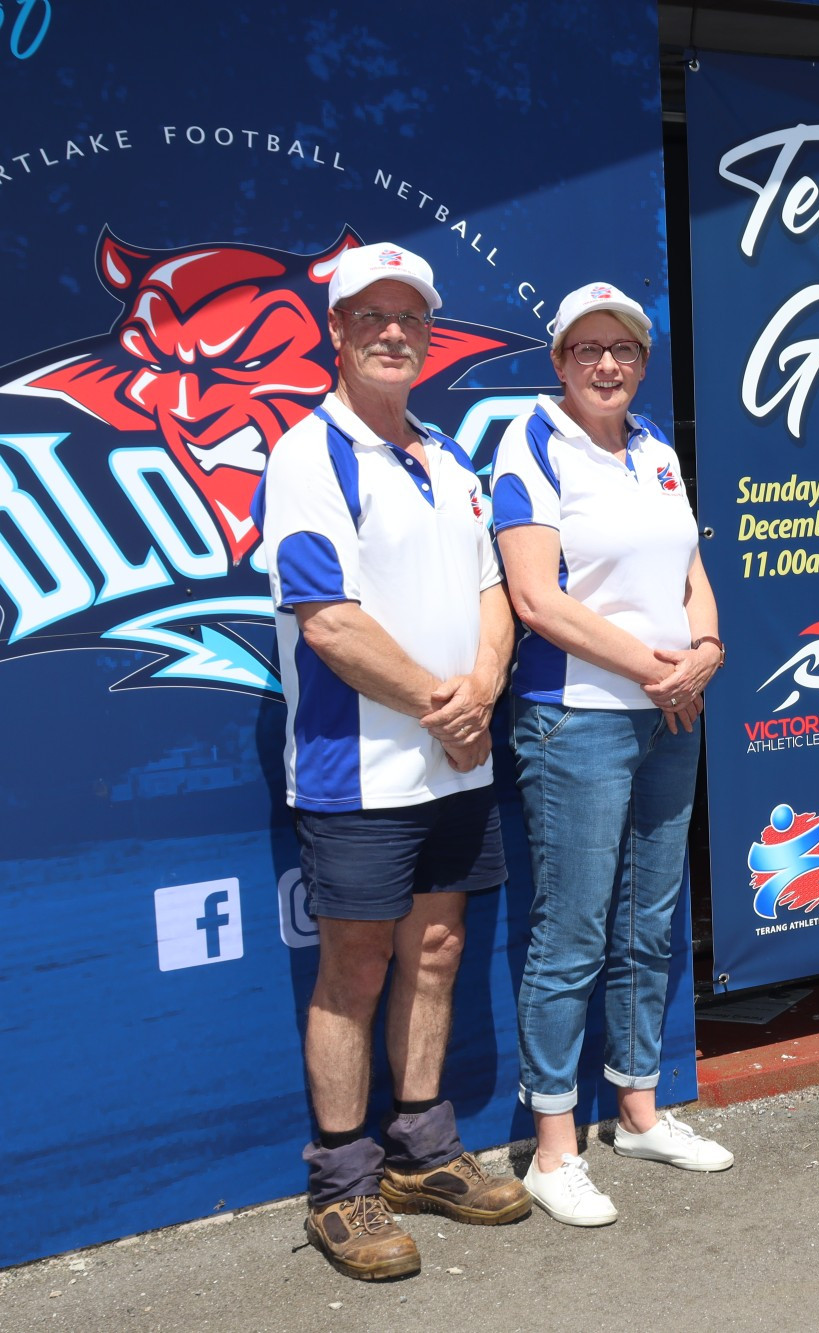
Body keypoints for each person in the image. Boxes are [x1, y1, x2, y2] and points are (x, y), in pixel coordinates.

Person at [254, 241, 527, 1280]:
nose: (390, 330)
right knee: (355, 969)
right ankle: (342, 1185)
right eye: (368, 314)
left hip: (454, 766)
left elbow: (495, 595)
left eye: (407, 316)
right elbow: (327, 622)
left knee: (438, 950)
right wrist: (439, 705)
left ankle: (421, 1151)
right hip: (355, 770)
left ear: (429, 332)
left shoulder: (449, 456)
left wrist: (483, 693)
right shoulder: (305, 456)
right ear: (335, 330)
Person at [492, 282, 733, 1228]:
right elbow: (535, 599)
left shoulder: (658, 452)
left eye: (623, 350)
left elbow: (692, 578)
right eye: (587, 349)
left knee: (650, 919)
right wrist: (658, 670)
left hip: (669, 713)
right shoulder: (530, 444)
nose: (607, 365)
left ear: (641, 361)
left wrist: (704, 656)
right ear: (559, 361)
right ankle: (553, 1149)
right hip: (577, 718)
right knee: (574, 933)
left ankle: (637, 1108)